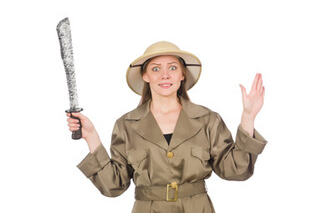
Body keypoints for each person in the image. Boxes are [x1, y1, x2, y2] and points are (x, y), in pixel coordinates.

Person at [66, 41, 267, 212]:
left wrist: (248, 117)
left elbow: (236, 171)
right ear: (145, 76)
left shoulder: (207, 119)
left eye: (172, 68)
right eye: (156, 69)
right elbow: (114, 186)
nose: (165, 75)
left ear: (182, 75)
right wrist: (91, 137)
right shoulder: (126, 125)